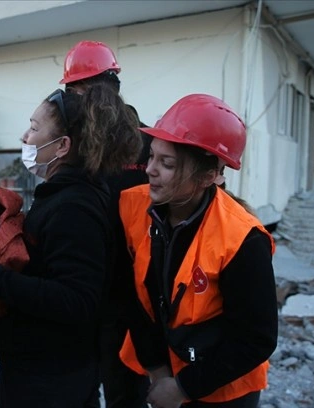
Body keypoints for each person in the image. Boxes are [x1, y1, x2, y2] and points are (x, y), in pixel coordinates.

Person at [0, 84, 143, 407]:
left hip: (52, 382)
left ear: (62, 146)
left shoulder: (75, 207)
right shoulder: (65, 193)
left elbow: (78, 299)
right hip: (41, 370)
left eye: (34, 128)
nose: (25, 136)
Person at [118, 94, 278, 407]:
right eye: (151, 157)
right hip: (164, 374)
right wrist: (158, 371)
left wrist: (183, 388)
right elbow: (135, 296)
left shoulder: (242, 238)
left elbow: (256, 338)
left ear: (209, 176)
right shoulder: (133, 206)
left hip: (224, 390)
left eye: (166, 163)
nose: (150, 170)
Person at [61, 39, 151, 407]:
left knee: (122, 388)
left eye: (74, 90)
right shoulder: (74, 143)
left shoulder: (146, 143)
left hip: (126, 290)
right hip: (92, 285)